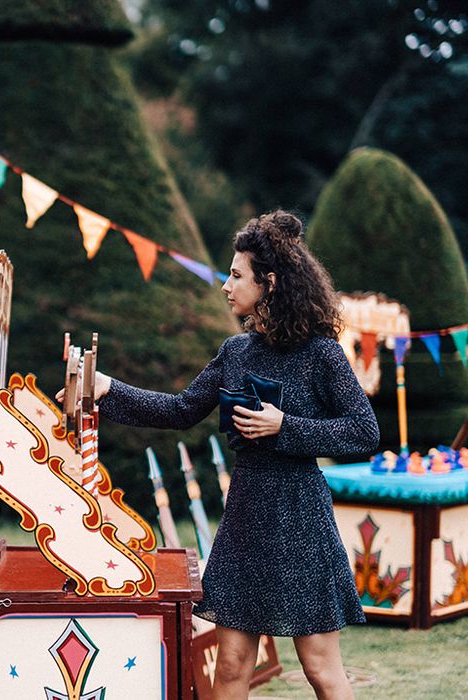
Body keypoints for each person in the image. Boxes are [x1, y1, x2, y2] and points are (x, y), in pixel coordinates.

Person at [75, 211, 379, 699]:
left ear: (270, 282)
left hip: (300, 518)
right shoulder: (235, 353)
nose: (226, 286)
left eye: (237, 275)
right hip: (244, 520)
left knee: (321, 669)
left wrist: (287, 427)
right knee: (232, 666)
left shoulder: (322, 353)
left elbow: (364, 431)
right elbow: (179, 411)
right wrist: (107, 388)